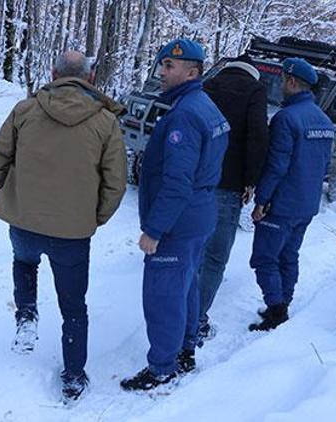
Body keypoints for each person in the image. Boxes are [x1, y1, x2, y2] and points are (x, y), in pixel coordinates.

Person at [0, 51, 127, 403]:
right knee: (74, 306)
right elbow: (116, 183)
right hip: (73, 232)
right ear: (90, 78)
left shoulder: (25, 110)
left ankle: (27, 315)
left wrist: (15, 197)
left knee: (24, 261)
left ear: (53, 72)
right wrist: (94, 216)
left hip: (25, 222)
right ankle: (73, 377)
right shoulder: (105, 121)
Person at [120, 39, 229, 392]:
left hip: (179, 222)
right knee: (186, 286)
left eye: (169, 67)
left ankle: (162, 367)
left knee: (163, 294)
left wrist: (154, 229)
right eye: (162, 65)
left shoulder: (184, 114)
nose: (162, 73)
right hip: (199, 216)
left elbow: (177, 182)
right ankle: (185, 349)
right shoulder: (205, 105)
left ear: (192, 72)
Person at [248, 57, 334, 331]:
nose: (281, 84)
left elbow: (276, 165)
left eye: (284, 79)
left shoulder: (286, 119)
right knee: (289, 256)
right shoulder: (324, 120)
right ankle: (283, 303)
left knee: (264, 258)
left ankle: (276, 310)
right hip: (307, 205)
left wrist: (262, 200)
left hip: (281, 205)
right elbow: (325, 166)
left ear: (292, 81)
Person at [196, 56, 270, 343]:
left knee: (192, 250)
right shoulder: (255, 91)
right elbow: (258, 137)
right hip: (229, 183)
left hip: (197, 179)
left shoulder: (208, 85)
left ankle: (181, 312)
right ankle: (197, 319)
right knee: (215, 256)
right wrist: (251, 180)